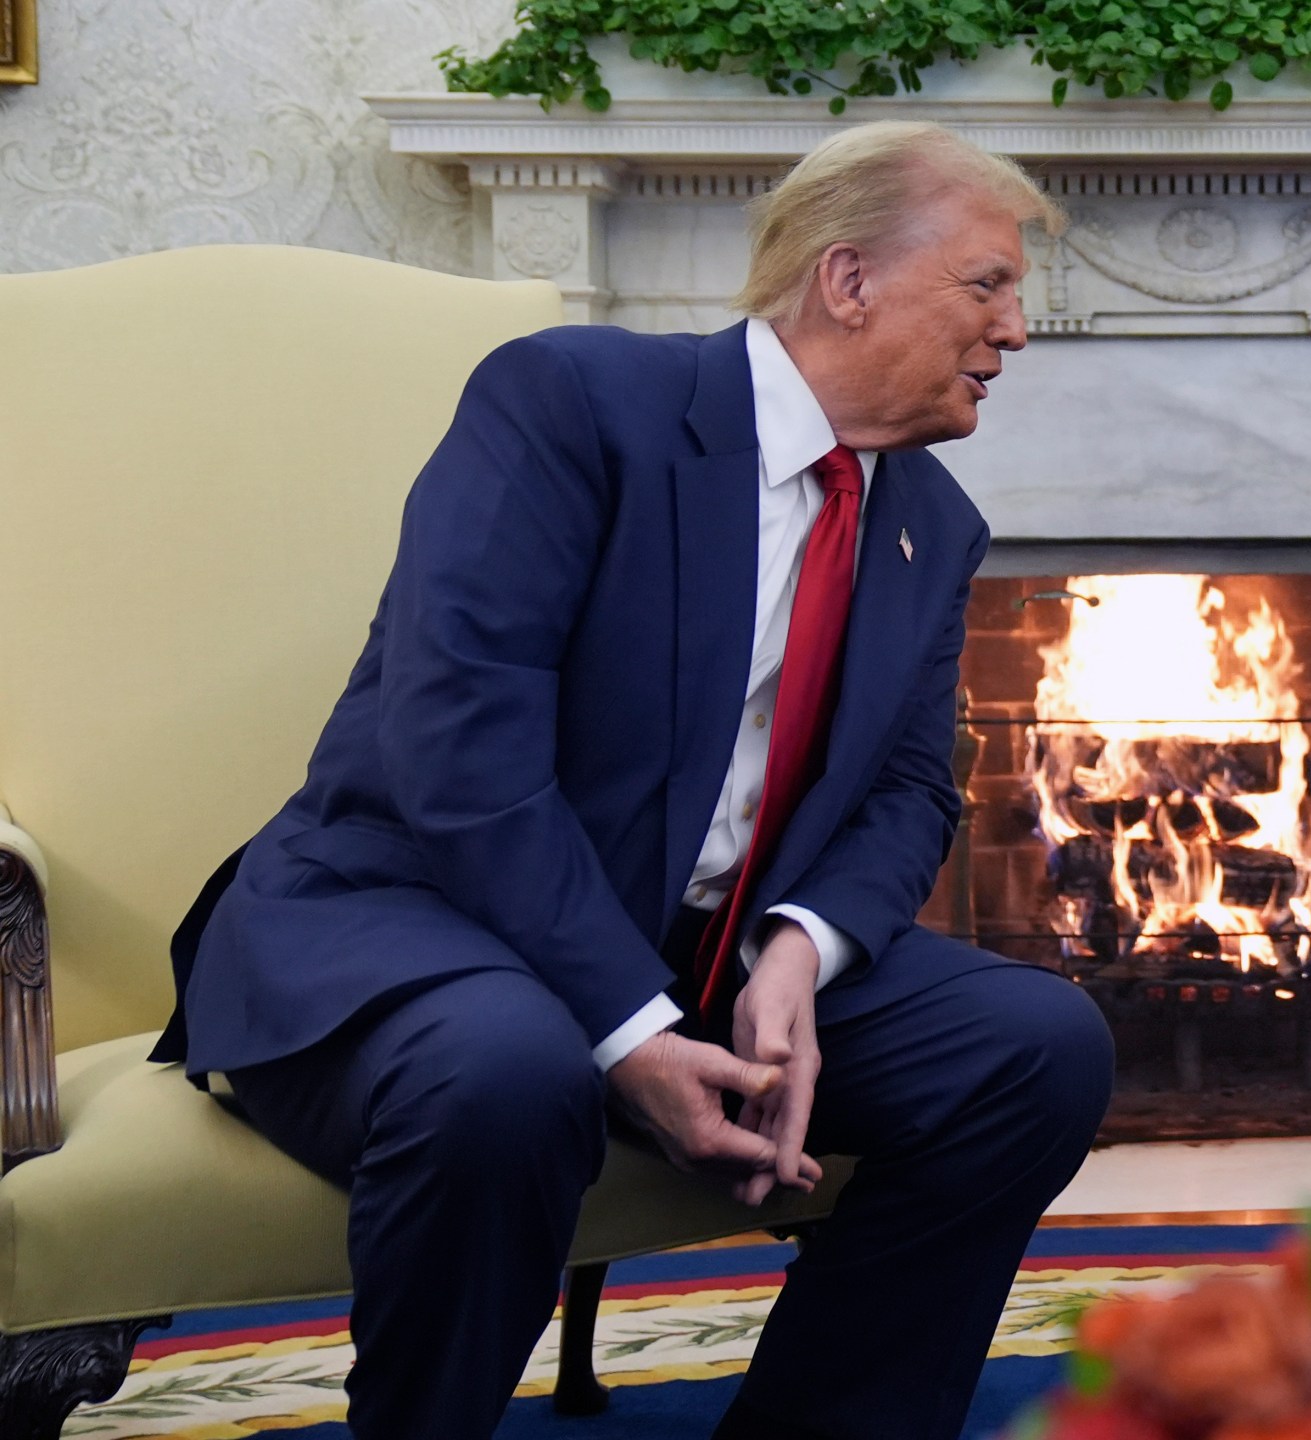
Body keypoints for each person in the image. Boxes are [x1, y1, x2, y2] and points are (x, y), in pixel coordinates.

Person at [149, 121, 1114, 1440]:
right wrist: (632, 1032)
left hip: (701, 945)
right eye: (988, 283)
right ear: (848, 281)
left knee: (1035, 1049)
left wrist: (796, 954)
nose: (1016, 330)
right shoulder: (571, 405)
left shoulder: (927, 522)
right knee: (509, 1069)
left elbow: (907, 791)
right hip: (410, 922)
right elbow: (459, 744)